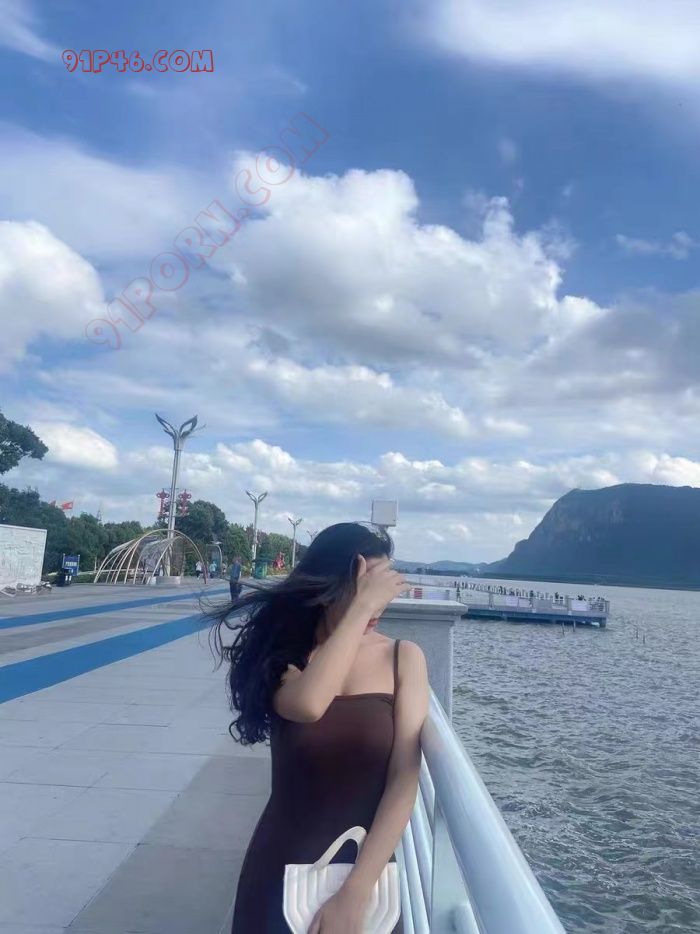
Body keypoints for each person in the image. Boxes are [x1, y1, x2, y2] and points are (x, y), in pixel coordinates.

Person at [210, 522, 428, 933]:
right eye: (364, 588)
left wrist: (356, 892)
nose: (377, 605)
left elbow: (404, 776)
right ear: (329, 585)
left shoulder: (404, 658)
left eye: (381, 591)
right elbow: (309, 705)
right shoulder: (286, 655)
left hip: (368, 881)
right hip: (279, 868)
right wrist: (360, 609)